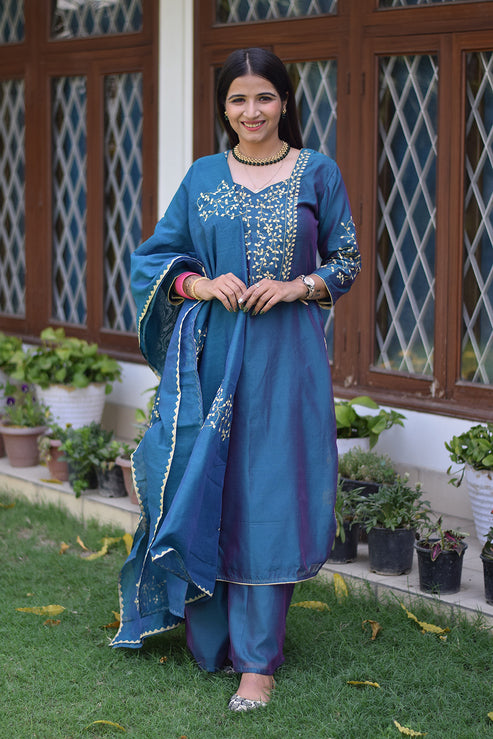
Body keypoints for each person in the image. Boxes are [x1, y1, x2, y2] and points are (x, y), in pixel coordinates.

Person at [111, 47, 361, 712]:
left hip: (286, 358)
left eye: (264, 97)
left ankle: (258, 661)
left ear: (284, 102)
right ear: (223, 108)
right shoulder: (200, 177)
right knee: (207, 480)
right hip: (212, 355)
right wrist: (198, 281)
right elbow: (155, 259)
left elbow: (347, 259)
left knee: (269, 490)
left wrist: (296, 285)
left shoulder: (317, 172)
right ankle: (210, 633)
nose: (251, 112)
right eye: (238, 100)